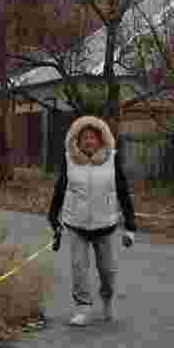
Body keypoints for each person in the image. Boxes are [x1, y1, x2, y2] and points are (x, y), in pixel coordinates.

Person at [48, 115, 138, 326]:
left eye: (93, 137)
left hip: (105, 225)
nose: (89, 141)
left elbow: (123, 192)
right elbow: (60, 189)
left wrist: (130, 226)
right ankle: (82, 308)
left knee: (107, 271)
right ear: (77, 141)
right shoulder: (69, 159)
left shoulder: (112, 159)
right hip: (76, 224)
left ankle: (107, 300)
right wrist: (54, 218)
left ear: (101, 140)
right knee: (79, 267)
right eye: (84, 137)